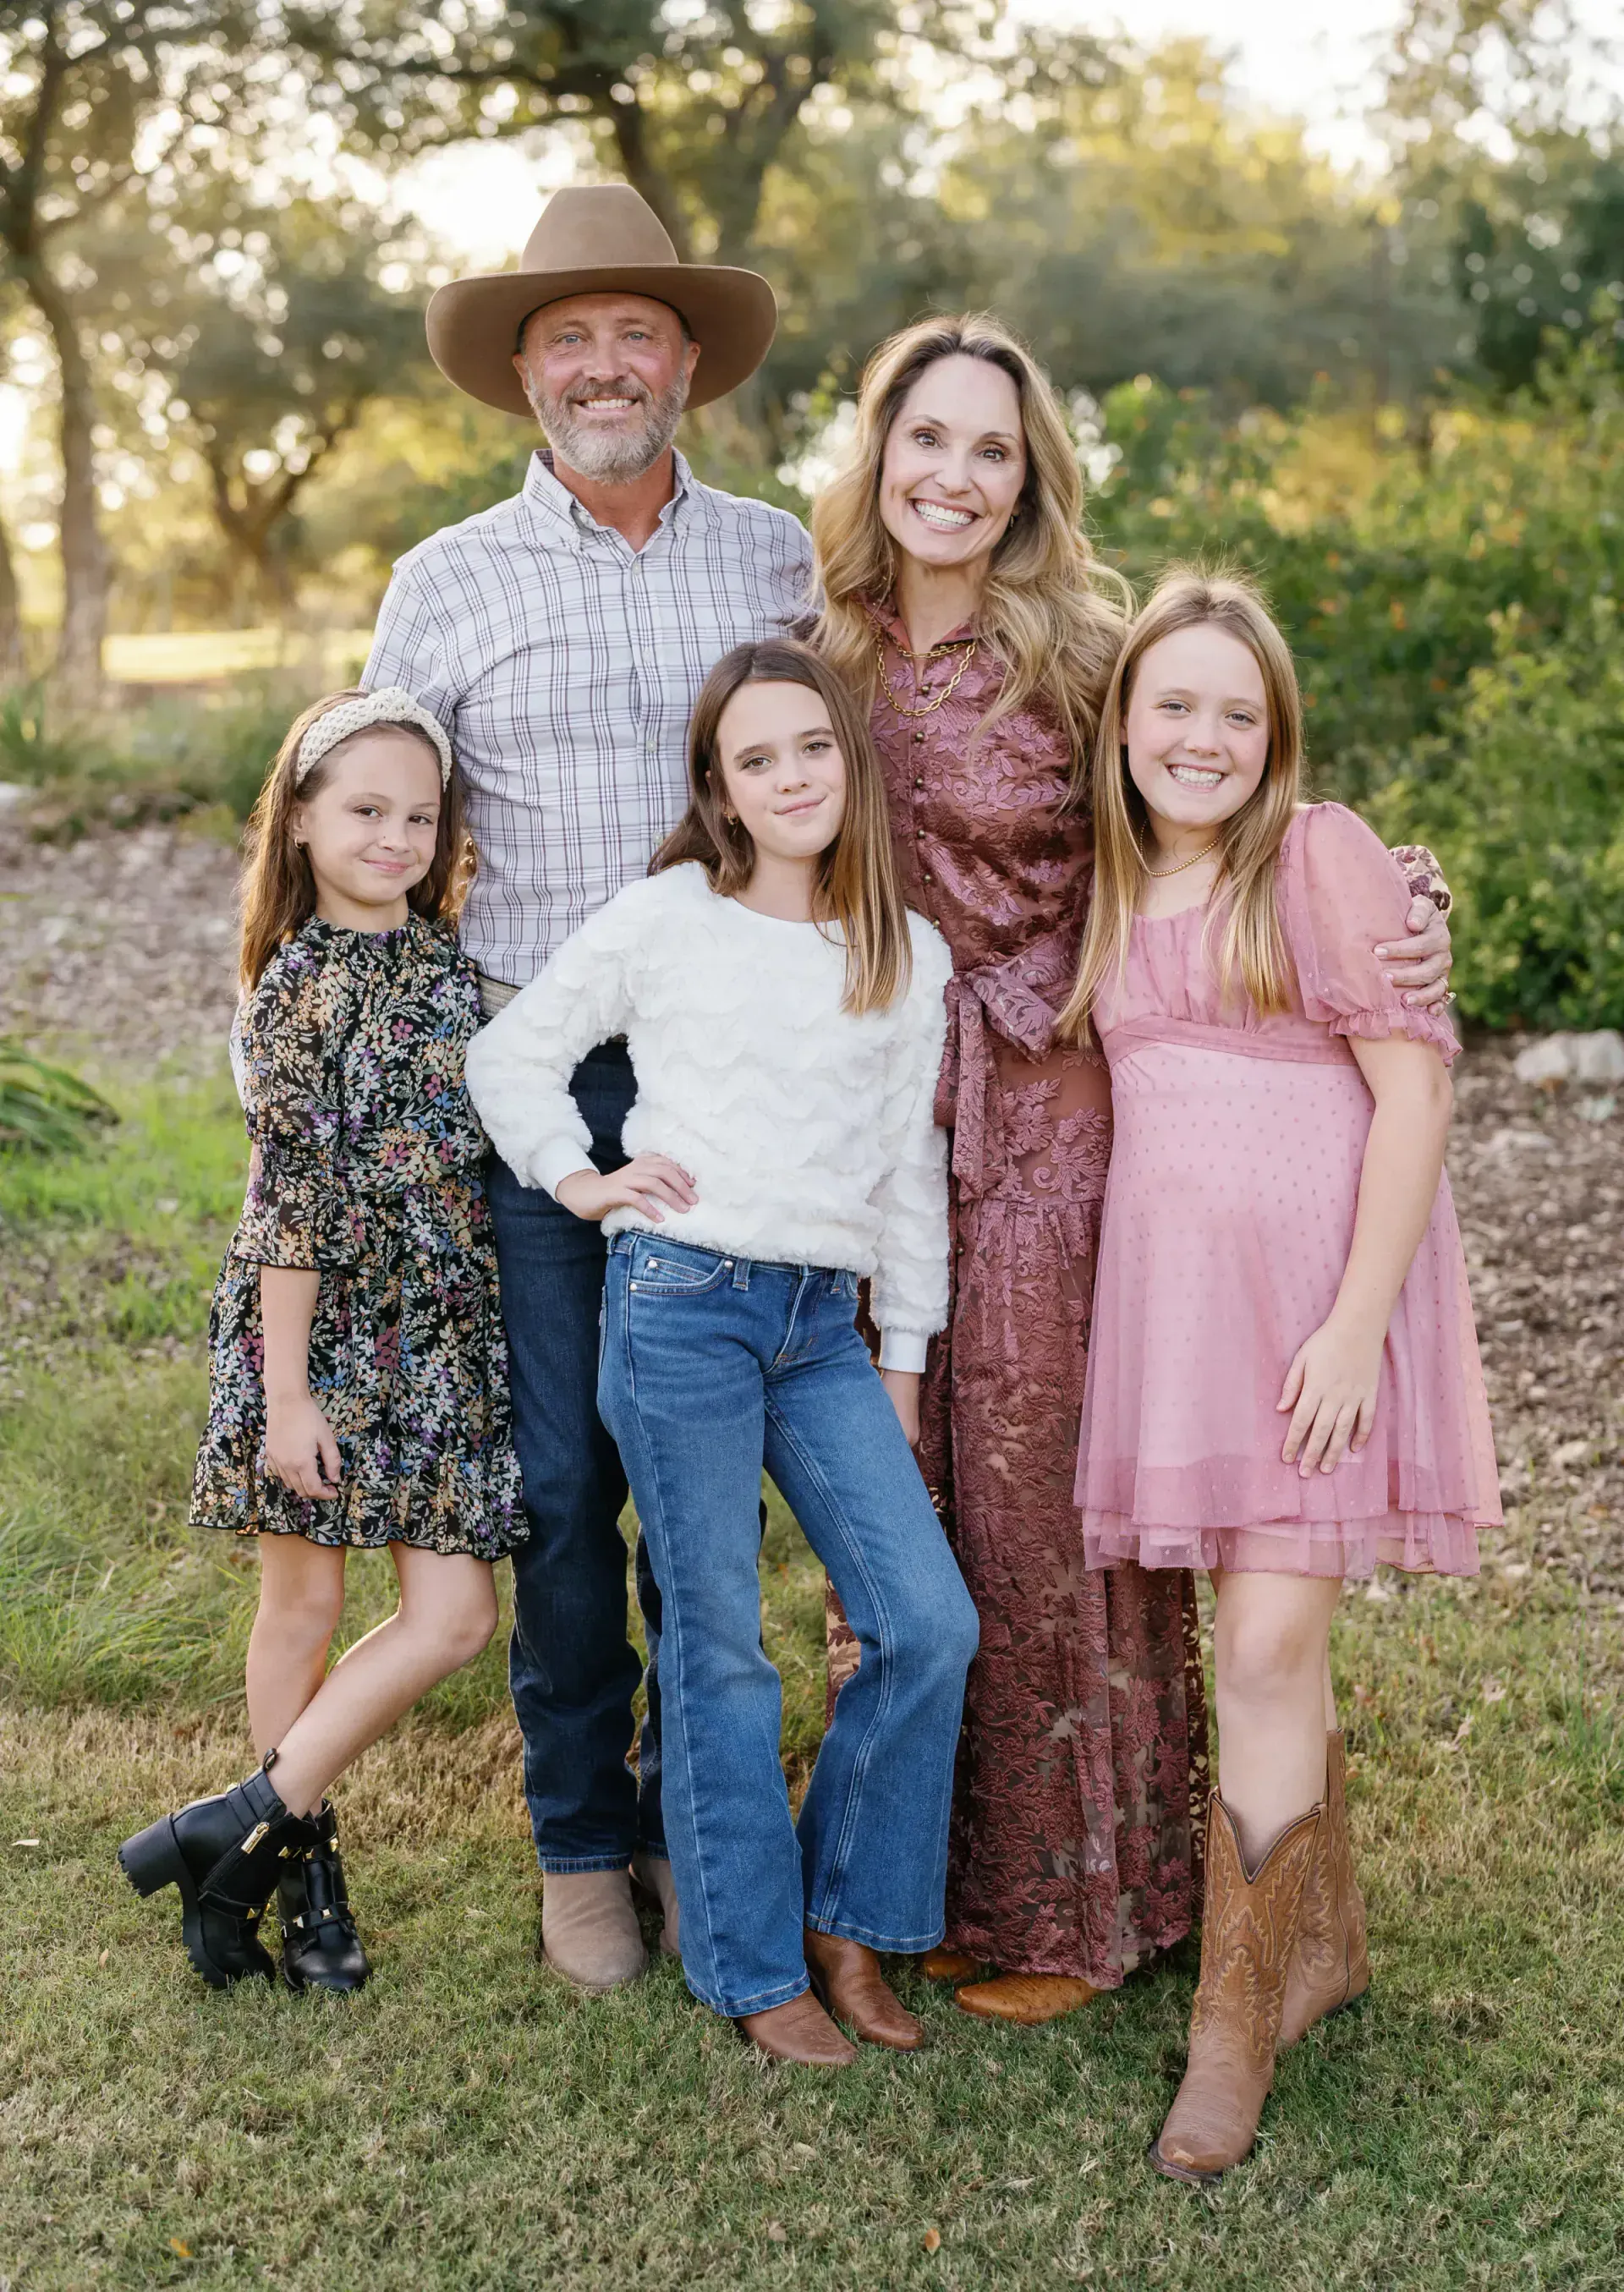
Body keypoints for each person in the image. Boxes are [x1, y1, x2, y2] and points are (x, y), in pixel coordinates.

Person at [811, 315, 1459, 2026]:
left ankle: (1089, 1900)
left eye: (992, 450)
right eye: (926, 438)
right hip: (883, 1124)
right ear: (877, 450)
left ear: (1032, 484)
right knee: (901, 1493)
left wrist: (1394, 902)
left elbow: (1224, 788)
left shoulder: (1083, 649)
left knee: (1054, 1527)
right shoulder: (819, 652)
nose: (954, 474)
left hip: (1070, 1113)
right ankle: (910, 1879)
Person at [361, 184, 811, 1991]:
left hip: (730, 1082)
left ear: (687, 358)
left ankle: (697, 1813)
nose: (606, 363)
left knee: (706, 1474)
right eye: (571, 337)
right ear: (524, 374)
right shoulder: (445, 581)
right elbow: (368, 842)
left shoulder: (781, 558)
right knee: (559, 1484)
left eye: (637, 330)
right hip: (531, 1087)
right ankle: (578, 1837)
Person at [465, 640, 978, 2066]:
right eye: (758, 759)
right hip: (683, 1304)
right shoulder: (669, 916)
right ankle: (752, 1965)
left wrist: (907, 1360)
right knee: (723, 1645)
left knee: (926, 1622)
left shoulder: (904, 951)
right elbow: (510, 1055)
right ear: (723, 789)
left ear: (848, 760)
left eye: (813, 745)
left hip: (822, 1327)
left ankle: (849, 1918)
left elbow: (906, 1177)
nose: (793, 775)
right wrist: (582, 1178)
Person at [1064, 569, 1498, 2182]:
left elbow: (1414, 1092)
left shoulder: (1317, 855)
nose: (1204, 736)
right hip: (1182, 1320)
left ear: (1279, 735)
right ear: (1122, 725)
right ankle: (1320, 1940)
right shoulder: (1110, 885)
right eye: (1172, 703)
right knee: (1253, 1638)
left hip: (1321, 1309)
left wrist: (1353, 1319)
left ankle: (1235, 2020)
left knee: (1261, 1640)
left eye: (1238, 712)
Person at [119, 688, 525, 1993]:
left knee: (453, 1617)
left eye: (419, 814)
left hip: (441, 1334)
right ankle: (300, 1869)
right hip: (319, 1331)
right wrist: (287, 1395)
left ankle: (226, 1829)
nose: (397, 835)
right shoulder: (291, 991)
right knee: (303, 1601)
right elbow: (288, 1200)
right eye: (365, 809)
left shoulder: (455, 969)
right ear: (297, 819)